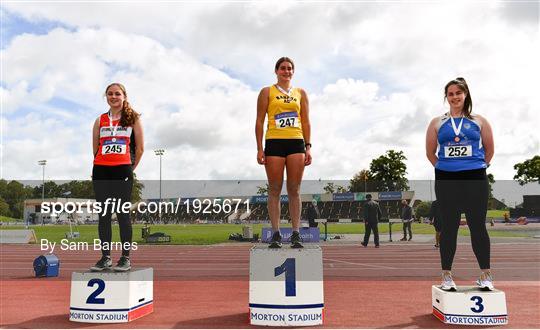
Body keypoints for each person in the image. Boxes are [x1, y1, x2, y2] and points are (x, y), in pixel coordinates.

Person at [426, 77, 494, 291]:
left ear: (465, 95)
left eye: (458, 93)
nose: (454, 97)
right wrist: (446, 168)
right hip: (447, 179)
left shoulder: (479, 120)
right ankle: (446, 276)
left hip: (475, 177)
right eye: (450, 94)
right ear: (446, 97)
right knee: (449, 227)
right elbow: (430, 153)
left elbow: (489, 149)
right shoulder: (437, 122)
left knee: (477, 226)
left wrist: (478, 166)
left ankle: (486, 275)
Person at [255, 57, 312, 249]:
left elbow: (305, 122)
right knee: (274, 189)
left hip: (296, 142)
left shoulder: (301, 93)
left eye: (289, 69)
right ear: (276, 71)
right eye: (282, 68)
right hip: (274, 142)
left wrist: (308, 146)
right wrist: (259, 148)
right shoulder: (266, 92)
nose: (286, 71)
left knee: (294, 189)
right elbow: (259, 121)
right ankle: (276, 233)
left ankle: (296, 233)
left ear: (293, 72)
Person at [91, 83, 144, 272]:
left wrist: (129, 168)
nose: (113, 97)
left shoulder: (133, 118)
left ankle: (125, 258)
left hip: (122, 171)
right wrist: (100, 164)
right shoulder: (99, 120)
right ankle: (105, 257)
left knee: (122, 215)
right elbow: (95, 148)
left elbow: (139, 149)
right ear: (106, 96)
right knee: (103, 215)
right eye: (110, 94)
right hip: (101, 171)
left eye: (117, 94)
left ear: (124, 96)